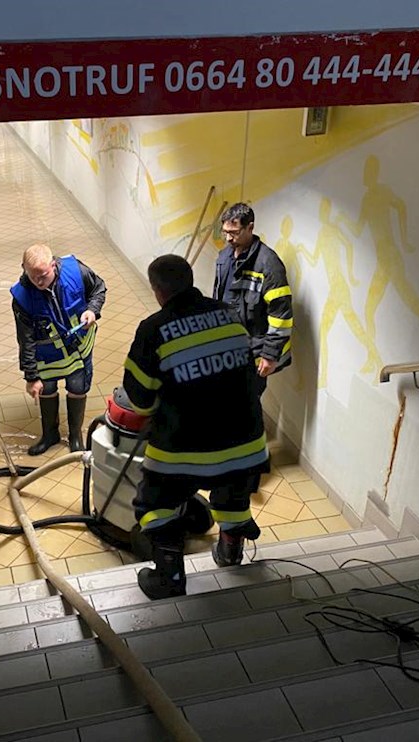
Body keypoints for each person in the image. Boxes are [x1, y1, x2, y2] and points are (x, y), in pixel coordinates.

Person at [122, 255, 269, 600]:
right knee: (232, 493)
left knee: (154, 505)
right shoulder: (230, 315)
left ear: (157, 290)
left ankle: (170, 577)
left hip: (184, 449)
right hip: (248, 446)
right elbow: (251, 379)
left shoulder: (154, 328)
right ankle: (231, 550)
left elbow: (140, 399)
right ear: (191, 281)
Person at [11, 244, 107, 454]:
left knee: (77, 388)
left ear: (53, 265)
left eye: (43, 275)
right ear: (24, 269)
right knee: (47, 389)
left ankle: (75, 435)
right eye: (33, 276)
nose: (38, 282)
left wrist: (92, 310)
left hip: (79, 350)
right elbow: (25, 339)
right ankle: (50, 434)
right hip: (47, 357)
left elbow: (98, 289)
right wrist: (31, 376)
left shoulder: (77, 272)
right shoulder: (21, 297)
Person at [213, 202, 294, 396]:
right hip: (226, 345)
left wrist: (270, 355)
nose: (228, 238)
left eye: (234, 232)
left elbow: (281, 316)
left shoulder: (269, 265)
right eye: (225, 232)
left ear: (250, 227)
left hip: (253, 351)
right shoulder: (224, 256)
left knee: (247, 401)